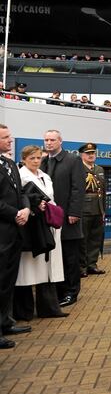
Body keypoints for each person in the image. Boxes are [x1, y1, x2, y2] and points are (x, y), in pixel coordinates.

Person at [13, 145, 67, 321]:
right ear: (24, 160)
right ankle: (24, 311)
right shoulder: (20, 176)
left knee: (47, 268)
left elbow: (51, 198)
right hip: (31, 227)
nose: (36, 161)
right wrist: (35, 205)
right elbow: (20, 199)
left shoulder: (45, 176)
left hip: (48, 224)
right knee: (27, 268)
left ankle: (49, 308)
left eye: (38, 158)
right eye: (32, 158)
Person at [41, 130, 85, 308]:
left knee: (70, 257)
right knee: (56, 257)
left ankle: (71, 292)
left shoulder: (72, 160)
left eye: (52, 140)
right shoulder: (44, 161)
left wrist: (74, 212)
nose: (49, 143)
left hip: (68, 219)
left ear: (60, 141)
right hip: (50, 219)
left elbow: (78, 188)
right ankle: (59, 290)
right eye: (46, 140)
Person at [0, 125, 32, 349]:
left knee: (8, 282)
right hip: (2, 231)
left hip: (14, 233)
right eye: (5, 138)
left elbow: (20, 193)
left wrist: (26, 210)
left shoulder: (10, 163)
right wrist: (15, 214)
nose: (10, 140)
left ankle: (5, 322)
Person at [78, 143, 106, 276]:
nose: (91, 155)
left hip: (98, 208)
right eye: (88, 153)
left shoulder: (99, 169)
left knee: (96, 238)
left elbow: (103, 191)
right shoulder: (78, 168)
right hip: (84, 208)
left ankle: (92, 265)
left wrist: (103, 210)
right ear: (82, 155)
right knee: (83, 239)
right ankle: (82, 267)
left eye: (93, 153)